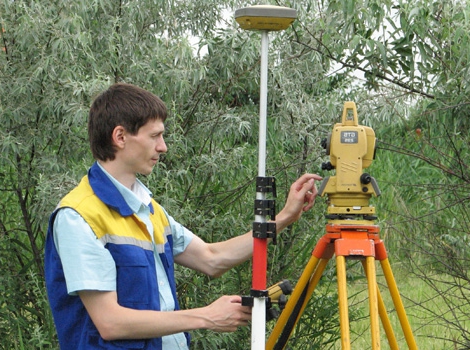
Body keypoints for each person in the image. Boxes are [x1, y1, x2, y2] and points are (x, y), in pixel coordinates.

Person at [44, 82, 322, 350]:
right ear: (120, 137)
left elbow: (212, 258)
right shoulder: (78, 217)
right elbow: (110, 322)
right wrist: (206, 316)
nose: (163, 147)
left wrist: (284, 217)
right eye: (155, 136)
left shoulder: (149, 209)